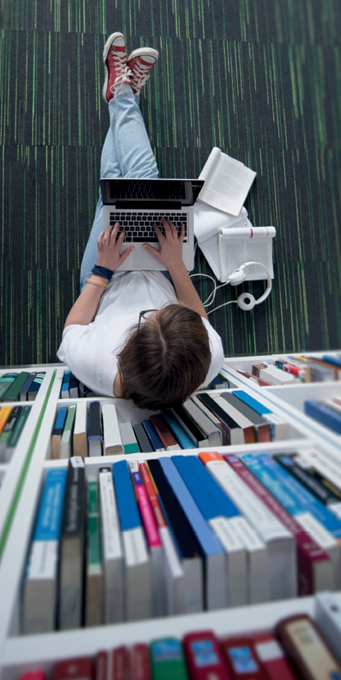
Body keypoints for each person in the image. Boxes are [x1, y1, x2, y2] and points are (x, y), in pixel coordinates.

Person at [57, 32, 224, 409]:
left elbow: (74, 327)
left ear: (124, 352)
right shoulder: (207, 358)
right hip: (165, 269)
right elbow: (198, 317)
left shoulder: (93, 365)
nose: (155, 307)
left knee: (120, 191)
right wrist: (176, 266)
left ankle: (123, 93)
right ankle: (121, 94)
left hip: (104, 279)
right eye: (168, 312)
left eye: (149, 317)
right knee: (132, 185)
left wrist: (103, 270)